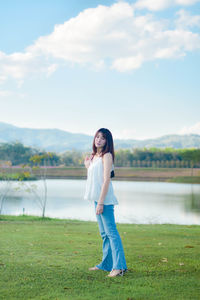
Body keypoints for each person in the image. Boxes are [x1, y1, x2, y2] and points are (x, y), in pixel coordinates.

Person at [84, 128, 127, 277]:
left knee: (111, 233)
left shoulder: (107, 156)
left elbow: (107, 179)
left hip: (105, 200)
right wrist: (88, 166)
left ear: (107, 141)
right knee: (104, 234)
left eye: (102, 138)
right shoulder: (95, 156)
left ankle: (119, 267)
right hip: (97, 199)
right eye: (97, 137)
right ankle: (106, 264)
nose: (99, 140)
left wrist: (101, 202)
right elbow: (95, 178)